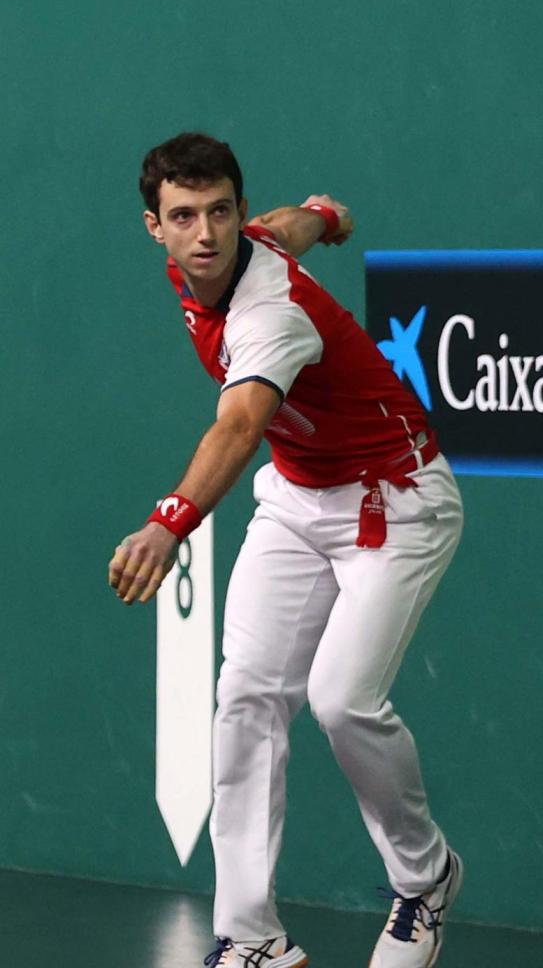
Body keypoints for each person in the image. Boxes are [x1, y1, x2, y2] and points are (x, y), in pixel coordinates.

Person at [110, 133, 466, 968]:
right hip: (300, 500)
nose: (207, 234)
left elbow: (239, 427)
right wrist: (324, 213)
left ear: (234, 213)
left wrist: (169, 522)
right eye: (186, 216)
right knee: (246, 695)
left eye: (220, 214)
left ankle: (426, 876)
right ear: (153, 227)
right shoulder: (240, 244)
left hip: (396, 504)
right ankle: (251, 938)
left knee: (343, 701)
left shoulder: (270, 315)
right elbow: (284, 227)